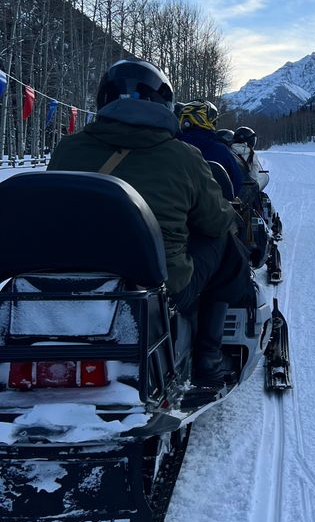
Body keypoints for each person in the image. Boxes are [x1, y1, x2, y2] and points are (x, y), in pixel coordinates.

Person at [47, 59, 251, 387]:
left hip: (70, 278)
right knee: (223, 240)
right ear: (164, 105)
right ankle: (208, 357)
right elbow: (215, 221)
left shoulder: (67, 149)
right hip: (156, 284)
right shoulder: (182, 155)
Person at [178, 101, 245, 197]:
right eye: (212, 119)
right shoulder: (220, 150)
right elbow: (236, 183)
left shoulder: (170, 144)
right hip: (212, 204)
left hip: (174, 203)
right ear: (203, 119)